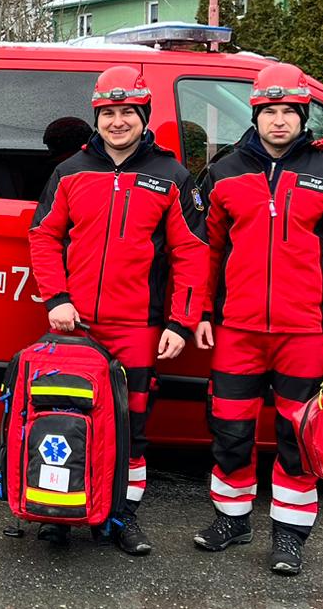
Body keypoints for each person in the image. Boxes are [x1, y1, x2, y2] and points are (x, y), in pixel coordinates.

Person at [193, 61, 323, 575]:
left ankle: (289, 535)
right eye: (269, 111)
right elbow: (206, 251)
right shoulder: (224, 172)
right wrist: (200, 312)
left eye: (288, 111)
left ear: (303, 115)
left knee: (298, 437)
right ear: (255, 114)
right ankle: (232, 519)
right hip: (237, 330)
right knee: (229, 432)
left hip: (306, 333)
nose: (278, 120)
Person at [28, 64, 208, 554]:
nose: (118, 121)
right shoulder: (70, 171)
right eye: (108, 112)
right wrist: (57, 298)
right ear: (97, 117)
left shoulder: (171, 176)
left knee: (132, 426)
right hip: (75, 324)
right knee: (64, 414)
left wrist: (180, 322)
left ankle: (122, 517)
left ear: (144, 115)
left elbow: (192, 253)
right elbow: (43, 237)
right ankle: (57, 513)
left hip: (139, 326)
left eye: (128, 111)